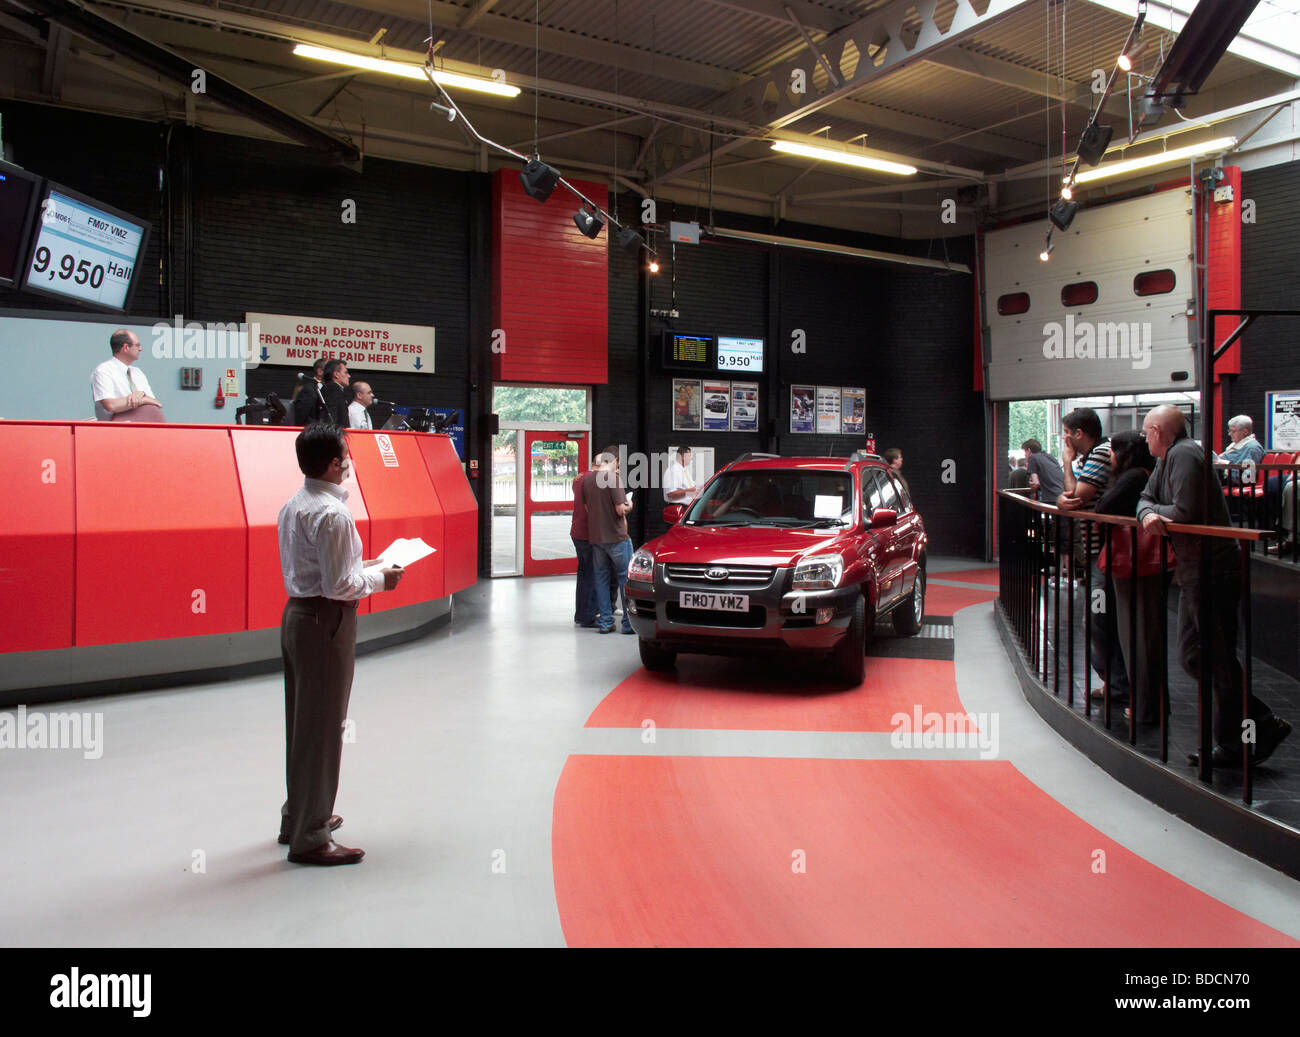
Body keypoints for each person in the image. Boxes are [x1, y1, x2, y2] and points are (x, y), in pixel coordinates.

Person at [276, 423, 404, 865]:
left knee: (302, 724)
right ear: (334, 463)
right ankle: (311, 836)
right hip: (325, 622)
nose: (349, 461)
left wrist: (362, 565)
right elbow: (339, 584)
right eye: (346, 454)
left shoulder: (296, 504)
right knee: (325, 729)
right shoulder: (333, 514)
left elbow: (323, 569)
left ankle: (298, 815)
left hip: (297, 616)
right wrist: (381, 578)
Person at [1137, 404, 1291, 767]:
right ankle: (1259, 724)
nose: (1145, 439)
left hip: (1212, 570)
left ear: (1159, 431)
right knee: (1199, 656)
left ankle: (1242, 738)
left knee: (1214, 657)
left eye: (1146, 433)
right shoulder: (1171, 457)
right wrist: (1149, 513)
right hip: (1196, 568)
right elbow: (1144, 499)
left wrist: (1157, 513)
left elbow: (1184, 510)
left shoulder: (1185, 454)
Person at [1091, 431, 1164, 724]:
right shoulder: (1141, 474)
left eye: (1113, 451)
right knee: (1129, 629)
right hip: (1134, 562)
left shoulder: (1134, 477)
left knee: (1132, 631)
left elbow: (1102, 506)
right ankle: (1138, 698)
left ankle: (1143, 703)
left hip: (1134, 560)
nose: (1109, 457)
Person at [1055, 409, 1124, 703]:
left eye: (1066, 432)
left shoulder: (1099, 454)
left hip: (1107, 553)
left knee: (1100, 618)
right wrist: (1065, 496)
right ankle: (1116, 683)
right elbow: (1071, 497)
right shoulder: (1092, 456)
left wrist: (1067, 466)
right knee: (1099, 619)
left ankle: (1119, 685)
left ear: (1078, 434)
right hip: (1099, 553)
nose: (1065, 438)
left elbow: (1076, 496)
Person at [584, 446, 635, 635]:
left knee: (601, 579)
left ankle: (605, 622)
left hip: (597, 537)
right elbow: (620, 510)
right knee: (625, 579)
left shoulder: (587, 480)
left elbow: (588, 508)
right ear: (613, 461)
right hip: (617, 537)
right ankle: (628, 623)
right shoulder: (613, 479)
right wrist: (630, 505)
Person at [91, 330, 163, 421]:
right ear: (125, 347)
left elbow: (156, 403)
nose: (140, 348)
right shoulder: (103, 371)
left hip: (143, 430)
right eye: (137, 345)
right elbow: (111, 405)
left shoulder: (138, 372)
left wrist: (141, 394)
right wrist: (142, 399)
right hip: (114, 431)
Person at [571, 457, 598, 628]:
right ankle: (588, 616)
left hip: (577, 531)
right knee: (593, 575)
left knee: (583, 575)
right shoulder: (596, 481)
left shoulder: (579, 478)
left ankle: (580, 614)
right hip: (589, 533)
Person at [290, 359, 327, 424]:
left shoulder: (328, 388)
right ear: (320, 371)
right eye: (331, 370)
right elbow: (301, 417)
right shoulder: (308, 389)